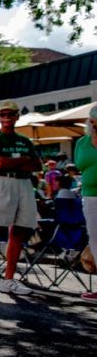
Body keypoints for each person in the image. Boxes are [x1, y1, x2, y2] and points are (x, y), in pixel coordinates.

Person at [0, 100, 38, 297]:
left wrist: (13, 163)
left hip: (24, 183)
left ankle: (9, 279)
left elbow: (36, 165)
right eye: (2, 114)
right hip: (1, 182)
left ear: (16, 116)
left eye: (10, 114)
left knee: (19, 230)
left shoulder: (25, 140)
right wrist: (22, 160)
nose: (6, 118)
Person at [73, 108, 97, 303]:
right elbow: (79, 165)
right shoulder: (82, 142)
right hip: (90, 196)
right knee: (96, 240)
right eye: (93, 121)